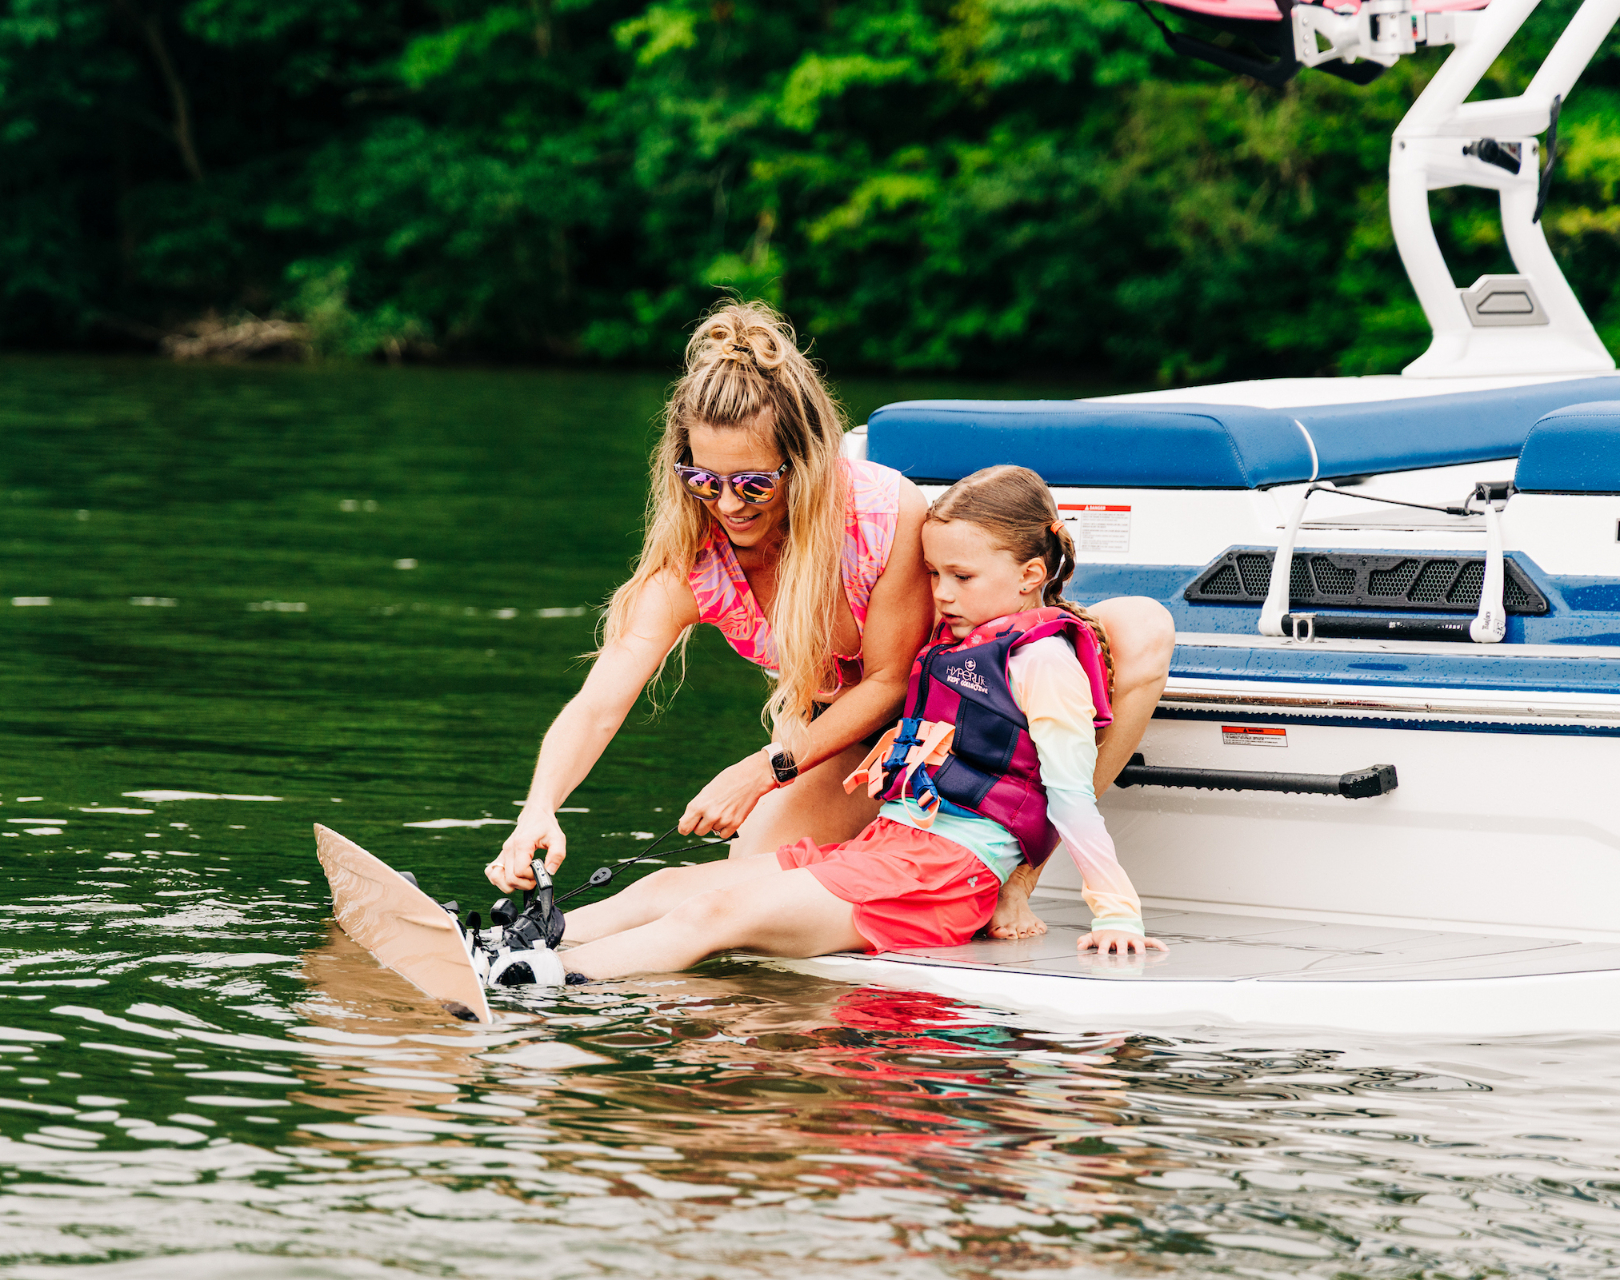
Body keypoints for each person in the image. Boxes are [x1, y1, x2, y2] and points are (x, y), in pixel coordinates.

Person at [487, 299, 1172, 938]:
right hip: (853, 740)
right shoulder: (692, 567)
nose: (728, 505)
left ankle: (1019, 878)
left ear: (805, 461)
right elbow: (598, 705)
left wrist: (764, 768)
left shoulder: (881, 513)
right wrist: (539, 808)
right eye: (704, 480)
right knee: (745, 890)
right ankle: (537, 943)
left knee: (1141, 629)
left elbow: (890, 680)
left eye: (754, 483)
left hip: (961, 706)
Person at [476, 464, 1166, 986]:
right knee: (669, 888)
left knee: (714, 916)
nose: (941, 593)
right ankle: (501, 943)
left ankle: (538, 979)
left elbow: (1068, 795)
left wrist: (1115, 912)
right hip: (893, 845)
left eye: (960, 576)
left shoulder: (1042, 661)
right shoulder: (961, 642)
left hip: (946, 875)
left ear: (1031, 574)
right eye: (933, 574)